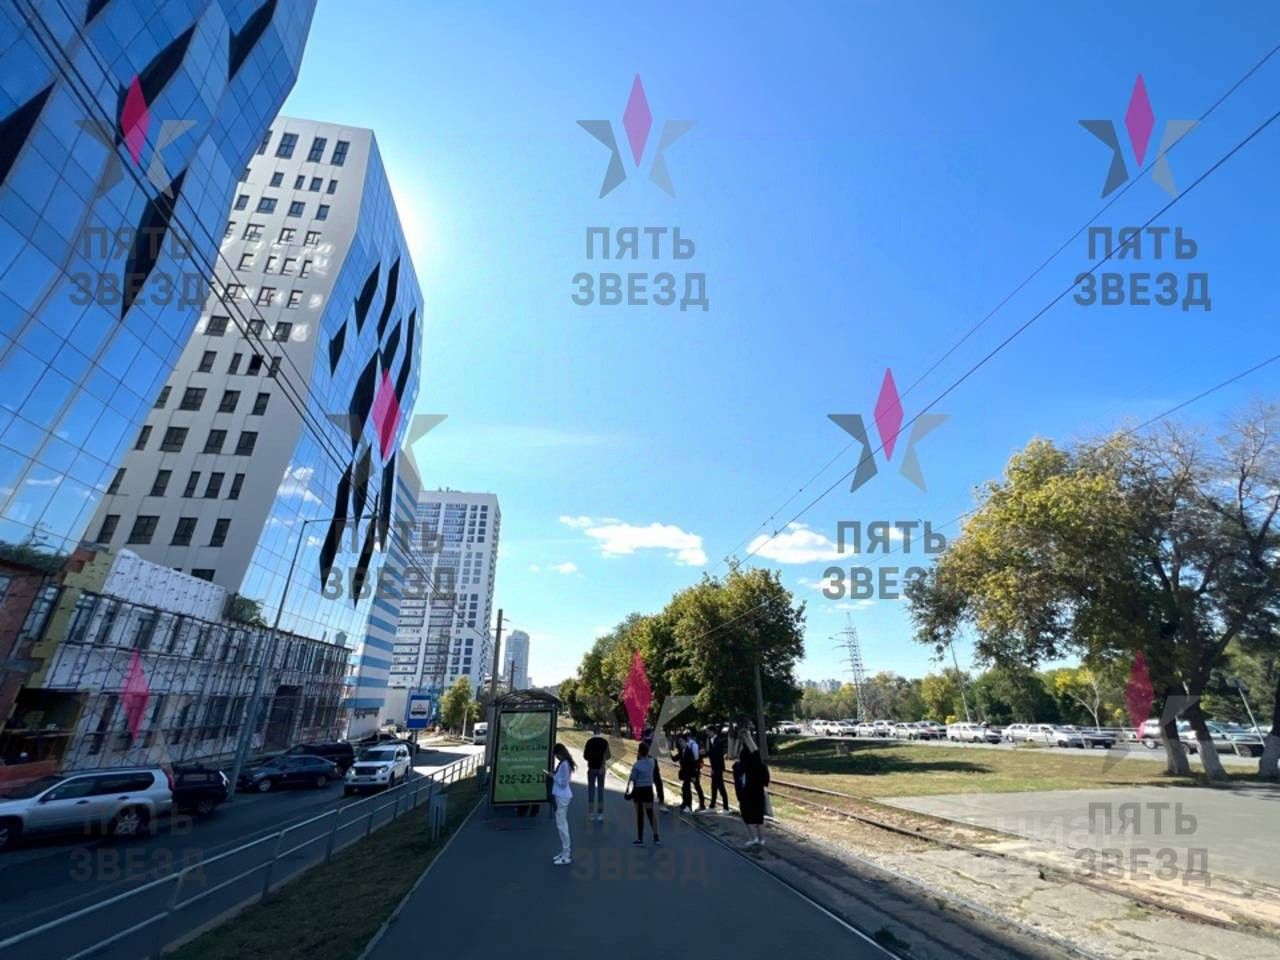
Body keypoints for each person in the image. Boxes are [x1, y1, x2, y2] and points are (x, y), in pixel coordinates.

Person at [733, 730, 770, 847]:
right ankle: (761, 839)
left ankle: (753, 838)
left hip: (747, 789)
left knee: (746, 814)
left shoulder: (744, 754)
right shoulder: (757, 755)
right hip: (757, 789)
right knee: (758, 816)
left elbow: (739, 768)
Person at [625, 740, 664, 845]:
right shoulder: (652, 762)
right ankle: (656, 837)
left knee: (640, 814)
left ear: (639, 752)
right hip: (648, 790)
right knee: (650, 813)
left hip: (638, 791)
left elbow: (633, 778)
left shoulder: (636, 765)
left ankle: (640, 839)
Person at [547, 743, 576, 865]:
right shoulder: (565, 763)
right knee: (562, 824)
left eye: (557, 755)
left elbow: (563, 783)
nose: (556, 757)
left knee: (562, 826)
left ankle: (566, 855)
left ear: (560, 753)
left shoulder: (564, 765)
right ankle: (564, 852)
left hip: (562, 796)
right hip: (562, 796)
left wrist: (553, 776)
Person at [582, 726, 610, 822]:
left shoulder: (589, 742)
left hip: (592, 768)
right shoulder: (605, 742)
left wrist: (591, 759)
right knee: (600, 790)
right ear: (600, 732)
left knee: (591, 790)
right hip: (601, 769)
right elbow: (608, 756)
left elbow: (585, 756)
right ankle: (600, 814)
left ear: (593, 732)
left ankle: (591, 814)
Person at [677, 733, 705, 813]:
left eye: (681, 741)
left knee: (697, 787)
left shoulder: (693, 745)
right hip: (688, 772)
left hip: (693, 771)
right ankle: (686, 804)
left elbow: (695, 760)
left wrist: (695, 774)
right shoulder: (685, 747)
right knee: (685, 788)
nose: (680, 743)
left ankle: (700, 805)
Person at [707, 726, 730, 812]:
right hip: (714, 767)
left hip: (718, 768)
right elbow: (712, 754)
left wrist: (714, 769)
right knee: (713, 787)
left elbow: (718, 757)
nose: (707, 733)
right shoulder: (711, 741)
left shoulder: (718, 741)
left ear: (712, 731)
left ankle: (726, 807)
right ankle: (712, 805)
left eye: (708, 731)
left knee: (721, 787)